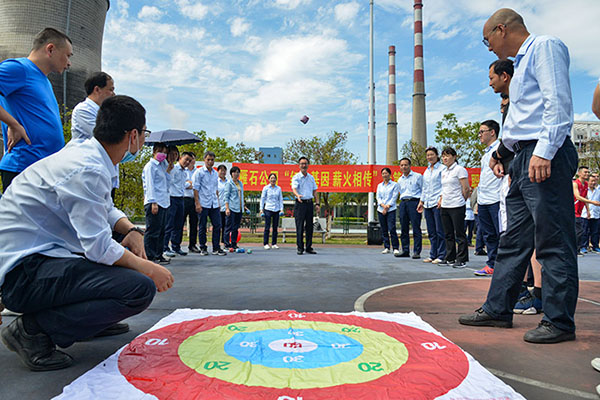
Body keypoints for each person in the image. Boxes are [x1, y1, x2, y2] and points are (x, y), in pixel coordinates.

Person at [0, 95, 173, 371]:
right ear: (133, 136)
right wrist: (150, 268)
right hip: (24, 273)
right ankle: (31, 331)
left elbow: (104, 208)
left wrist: (130, 230)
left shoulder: (89, 154)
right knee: (139, 287)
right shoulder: (88, 168)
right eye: (144, 133)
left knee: (123, 273)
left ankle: (87, 321)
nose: (142, 141)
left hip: (40, 260)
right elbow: (99, 248)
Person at [460, 8, 579, 344]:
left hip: (544, 154)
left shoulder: (544, 46)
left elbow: (558, 103)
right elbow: (521, 121)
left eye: (487, 40)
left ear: (502, 29)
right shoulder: (521, 64)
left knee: (553, 241)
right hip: (521, 157)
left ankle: (558, 321)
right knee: (513, 241)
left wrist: (545, 150)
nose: (488, 48)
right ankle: (498, 309)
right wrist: (501, 154)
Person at [0, 28, 73, 191]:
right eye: (67, 55)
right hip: (24, 168)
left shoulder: (44, 80)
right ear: (50, 49)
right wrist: (13, 124)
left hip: (45, 170)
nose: (69, 63)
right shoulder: (19, 68)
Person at [473, 120, 502, 276]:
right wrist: (478, 201)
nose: (479, 135)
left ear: (492, 132)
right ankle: (491, 264)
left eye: (482, 131)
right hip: (484, 200)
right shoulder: (485, 155)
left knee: (500, 234)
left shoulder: (501, 149)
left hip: (496, 199)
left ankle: (503, 266)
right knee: (488, 235)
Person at [438, 147, 470, 268]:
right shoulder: (444, 172)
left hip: (457, 205)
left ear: (454, 156)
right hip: (445, 205)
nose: (444, 158)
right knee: (448, 233)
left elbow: (466, 188)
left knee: (459, 233)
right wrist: (441, 200)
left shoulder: (460, 169)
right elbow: (444, 188)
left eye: (447, 155)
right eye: (443, 156)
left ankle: (461, 259)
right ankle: (450, 257)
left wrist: (462, 200)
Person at [142, 143, 174, 264]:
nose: (163, 154)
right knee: (153, 231)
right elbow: (150, 185)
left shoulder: (162, 166)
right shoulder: (150, 166)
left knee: (162, 231)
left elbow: (167, 182)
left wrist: (169, 169)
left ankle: (158, 254)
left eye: (165, 152)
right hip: (155, 202)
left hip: (164, 201)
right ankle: (149, 255)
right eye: (161, 151)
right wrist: (153, 202)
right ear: (154, 151)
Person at [193, 151, 226, 256]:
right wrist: (197, 203)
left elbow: (215, 189)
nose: (210, 162)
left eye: (212, 160)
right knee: (202, 226)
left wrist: (218, 202)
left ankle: (216, 247)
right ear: (204, 160)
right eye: (208, 160)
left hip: (214, 203)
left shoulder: (215, 173)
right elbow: (195, 188)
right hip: (203, 203)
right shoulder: (199, 172)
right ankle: (203, 247)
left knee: (217, 225)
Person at [418, 147, 446, 264]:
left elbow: (444, 185)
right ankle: (432, 254)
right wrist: (421, 201)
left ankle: (441, 255)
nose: (429, 157)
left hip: (437, 203)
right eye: (428, 155)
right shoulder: (427, 171)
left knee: (440, 230)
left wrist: (441, 198)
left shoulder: (442, 168)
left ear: (437, 155)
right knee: (431, 231)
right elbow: (424, 188)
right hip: (428, 203)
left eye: (432, 155)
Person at [164, 148, 193, 257]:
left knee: (179, 224)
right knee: (169, 224)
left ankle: (176, 246)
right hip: (172, 198)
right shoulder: (173, 168)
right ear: (180, 158)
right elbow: (169, 181)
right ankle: (165, 247)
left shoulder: (184, 173)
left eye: (189, 161)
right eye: (186, 159)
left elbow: (181, 185)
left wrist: (187, 184)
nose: (187, 162)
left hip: (181, 198)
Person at [70, 72, 115, 143]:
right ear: (97, 89)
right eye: (110, 90)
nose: (113, 94)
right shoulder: (83, 110)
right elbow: (104, 136)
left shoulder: (105, 111)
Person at [291, 157, 320, 255]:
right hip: (300, 203)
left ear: (308, 165)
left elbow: (315, 191)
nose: (304, 165)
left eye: (305, 163)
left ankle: (308, 247)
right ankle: (300, 247)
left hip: (309, 203)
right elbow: (294, 188)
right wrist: (297, 195)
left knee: (309, 227)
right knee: (299, 226)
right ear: (299, 165)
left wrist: (317, 203)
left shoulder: (311, 177)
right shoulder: (296, 177)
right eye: (302, 164)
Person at [396, 158, 423, 258]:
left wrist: (421, 202)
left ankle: (417, 251)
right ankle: (405, 250)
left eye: (406, 165)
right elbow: (400, 192)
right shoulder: (400, 179)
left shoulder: (418, 176)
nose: (404, 167)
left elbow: (423, 189)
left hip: (414, 202)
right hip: (403, 203)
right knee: (404, 228)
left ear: (410, 166)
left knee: (416, 227)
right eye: (402, 165)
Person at [573, 166, 600, 255]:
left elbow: (585, 197)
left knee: (580, 231)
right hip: (572, 211)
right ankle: (576, 249)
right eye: (585, 172)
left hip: (580, 212)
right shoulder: (575, 183)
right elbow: (577, 196)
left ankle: (576, 249)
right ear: (579, 173)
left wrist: (588, 210)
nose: (587, 174)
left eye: (588, 172)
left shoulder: (585, 185)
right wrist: (593, 202)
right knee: (580, 230)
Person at [376, 167, 400, 256]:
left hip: (391, 209)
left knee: (392, 228)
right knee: (384, 229)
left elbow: (394, 197)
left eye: (386, 173)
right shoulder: (379, 185)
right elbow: (378, 197)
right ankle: (386, 247)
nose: (384, 175)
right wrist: (382, 206)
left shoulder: (394, 185)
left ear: (390, 174)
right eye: (383, 173)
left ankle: (395, 247)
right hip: (380, 209)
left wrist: (387, 207)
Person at [223, 166, 248, 249]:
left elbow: (241, 196)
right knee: (228, 227)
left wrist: (244, 206)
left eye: (237, 172)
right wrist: (227, 208)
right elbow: (226, 196)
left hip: (239, 208)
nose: (236, 174)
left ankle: (234, 243)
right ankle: (226, 244)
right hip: (231, 208)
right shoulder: (229, 184)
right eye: (234, 172)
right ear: (231, 174)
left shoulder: (240, 183)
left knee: (236, 227)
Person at [261, 173, 284, 250]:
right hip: (268, 209)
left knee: (275, 227)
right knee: (267, 227)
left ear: (276, 180)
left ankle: (274, 243)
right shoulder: (266, 188)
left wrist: (281, 209)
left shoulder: (279, 188)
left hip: (276, 209)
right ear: (269, 179)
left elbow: (280, 199)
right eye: (271, 178)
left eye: (274, 178)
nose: (273, 180)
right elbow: (263, 199)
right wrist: (261, 209)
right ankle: (266, 243)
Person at [182, 152, 199, 253]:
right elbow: (181, 184)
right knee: (180, 223)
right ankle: (176, 245)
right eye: (189, 159)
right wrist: (188, 184)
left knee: (194, 223)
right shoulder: (183, 171)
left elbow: (197, 185)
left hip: (194, 199)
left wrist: (191, 184)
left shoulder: (197, 171)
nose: (191, 161)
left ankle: (192, 245)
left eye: (193, 159)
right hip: (184, 198)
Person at [585, 173, 600, 253]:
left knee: (595, 232)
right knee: (584, 231)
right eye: (591, 181)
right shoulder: (584, 190)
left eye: (594, 181)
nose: (593, 183)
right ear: (588, 181)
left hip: (596, 214)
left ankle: (595, 246)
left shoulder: (598, 191)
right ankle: (584, 246)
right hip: (585, 214)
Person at [217, 164, 228, 246]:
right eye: (221, 170)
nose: (223, 172)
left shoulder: (228, 182)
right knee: (218, 225)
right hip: (218, 206)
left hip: (227, 207)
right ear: (218, 171)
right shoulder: (216, 181)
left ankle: (225, 242)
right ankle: (216, 243)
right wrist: (217, 203)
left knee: (226, 226)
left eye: (224, 170)